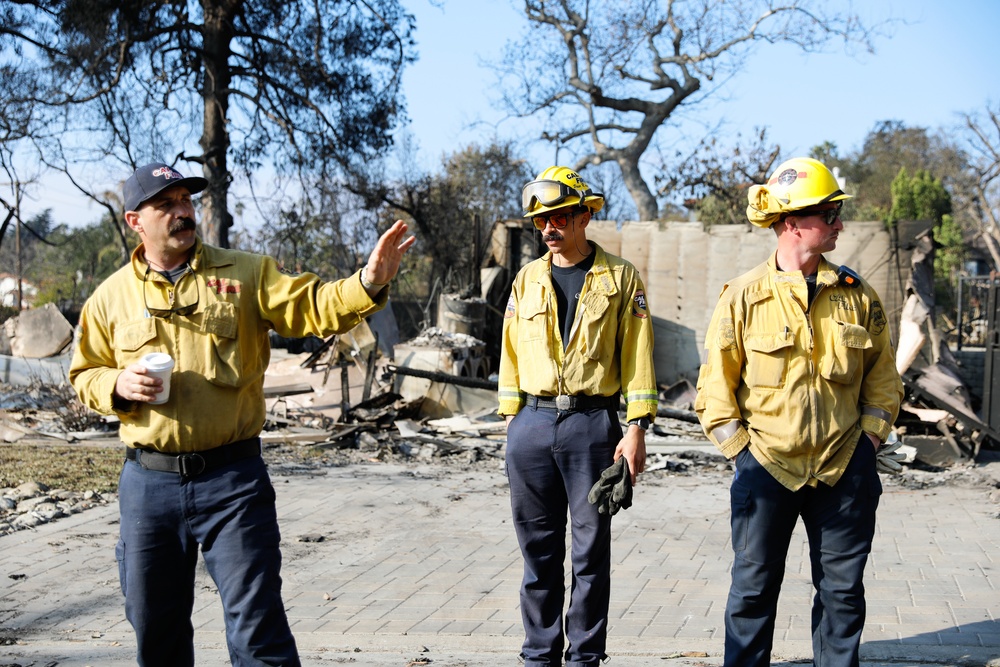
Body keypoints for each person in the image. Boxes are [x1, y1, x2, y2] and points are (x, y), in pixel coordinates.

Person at [69, 161, 415, 667]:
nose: (183, 212)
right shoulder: (109, 298)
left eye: (186, 201)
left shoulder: (246, 273)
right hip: (148, 486)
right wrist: (116, 383)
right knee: (155, 632)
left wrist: (367, 281)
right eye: (166, 205)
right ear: (134, 221)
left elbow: (314, 307)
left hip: (232, 481)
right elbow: (83, 374)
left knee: (258, 634)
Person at [695, 157, 904, 667]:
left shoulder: (858, 298)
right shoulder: (743, 296)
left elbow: (883, 379)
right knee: (751, 594)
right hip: (766, 469)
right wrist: (741, 454)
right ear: (792, 223)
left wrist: (868, 444)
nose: (839, 223)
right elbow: (714, 390)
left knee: (842, 597)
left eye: (836, 213)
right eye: (829, 214)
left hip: (842, 472)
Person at [497, 166, 658, 667]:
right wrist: (513, 423)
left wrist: (635, 431)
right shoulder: (526, 279)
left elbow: (637, 358)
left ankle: (585, 656)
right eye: (541, 219)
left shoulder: (621, 277)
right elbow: (508, 355)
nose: (549, 228)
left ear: (586, 216)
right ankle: (538, 655)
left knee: (590, 554)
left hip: (593, 426)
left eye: (561, 217)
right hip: (531, 424)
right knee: (538, 553)